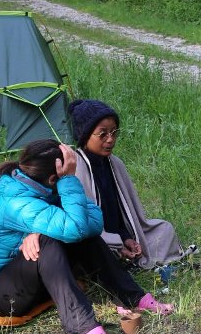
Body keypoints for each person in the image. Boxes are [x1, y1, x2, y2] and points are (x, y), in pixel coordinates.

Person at [0, 139, 175, 334]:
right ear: (52, 178)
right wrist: (68, 182)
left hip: (26, 282)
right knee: (50, 240)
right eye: (67, 175)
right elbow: (76, 226)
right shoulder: (17, 202)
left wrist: (40, 228)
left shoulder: (39, 186)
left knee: (78, 235)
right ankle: (81, 330)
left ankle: (133, 297)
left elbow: (92, 224)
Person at [69, 99, 184, 271]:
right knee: (93, 248)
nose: (110, 139)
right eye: (103, 134)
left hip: (117, 238)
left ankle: (123, 255)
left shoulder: (115, 163)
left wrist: (127, 238)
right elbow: (83, 224)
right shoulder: (76, 167)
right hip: (95, 238)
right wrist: (116, 244)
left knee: (164, 230)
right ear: (85, 136)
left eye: (114, 132)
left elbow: (122, 212)